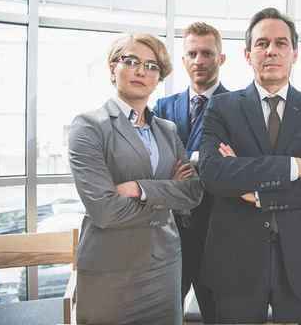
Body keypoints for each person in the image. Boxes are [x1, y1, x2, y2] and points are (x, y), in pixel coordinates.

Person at [197, 7, 301, 324]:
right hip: (235, 254)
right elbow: (212, 173)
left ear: (294, 54)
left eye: (281, 43)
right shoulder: (222, 106)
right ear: (247, 54)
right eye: (262, 43)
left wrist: (259, 191)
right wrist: (292, 167)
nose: (271, 51)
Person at [68, 33, 204, 325]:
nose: (141, 71)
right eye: (131, 61)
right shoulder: (89, 127)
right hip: (112, 270)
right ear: (112, 69)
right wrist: (168, 195)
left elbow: (193, 192)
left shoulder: (167, 130)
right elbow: (104, 211)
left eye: (151, 66)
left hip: (165, 265)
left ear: (158, 77)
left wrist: (138, 188)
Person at [153, 22, 228, 323]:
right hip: (171, 232)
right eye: (192, 53)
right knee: (166, 313)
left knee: (218, 314)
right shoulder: (162, 106)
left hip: (217, 233)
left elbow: (229, 169)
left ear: (221, 58)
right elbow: (155, 164)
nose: (199, 60)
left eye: (207, 53)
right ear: (183, 59)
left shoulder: (237, 106)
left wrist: (187, 164)